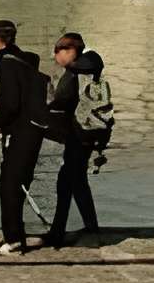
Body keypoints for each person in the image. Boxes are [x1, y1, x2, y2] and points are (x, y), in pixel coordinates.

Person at [0, 19, 45, 253]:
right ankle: (15, 235)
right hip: (34, 129)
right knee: (19, 182)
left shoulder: (6, 63)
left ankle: (13, 239)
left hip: (19, 132)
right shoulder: (26, 60)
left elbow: (10, 104)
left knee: (9, 186)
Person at [42, 31, 108, 247]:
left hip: (81, 132)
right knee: (77, 181)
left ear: (70, 51)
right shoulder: (85, 69)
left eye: (58, 52)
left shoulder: (80, 68)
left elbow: (62, 99)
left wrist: (45, 108)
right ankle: (89, 227)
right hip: (86, 131)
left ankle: (58, 232)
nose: (56, 58)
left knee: (66, 181)